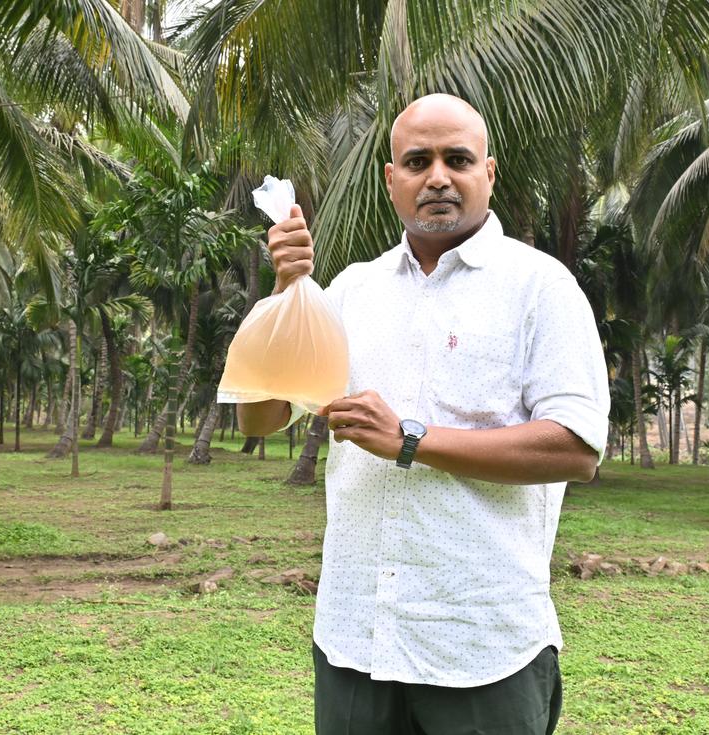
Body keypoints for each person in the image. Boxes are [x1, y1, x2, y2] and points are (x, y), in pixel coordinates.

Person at [237, 93, 610, 735]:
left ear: (487, 173)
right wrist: (285, 294)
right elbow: (260, 420)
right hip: (356, 637)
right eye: (417, 161)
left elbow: (576, 447)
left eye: (456, 158)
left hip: (482, 647)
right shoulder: (353, 291)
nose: (437, 176)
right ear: (392, 181)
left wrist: (410, 438)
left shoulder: (539, 288)